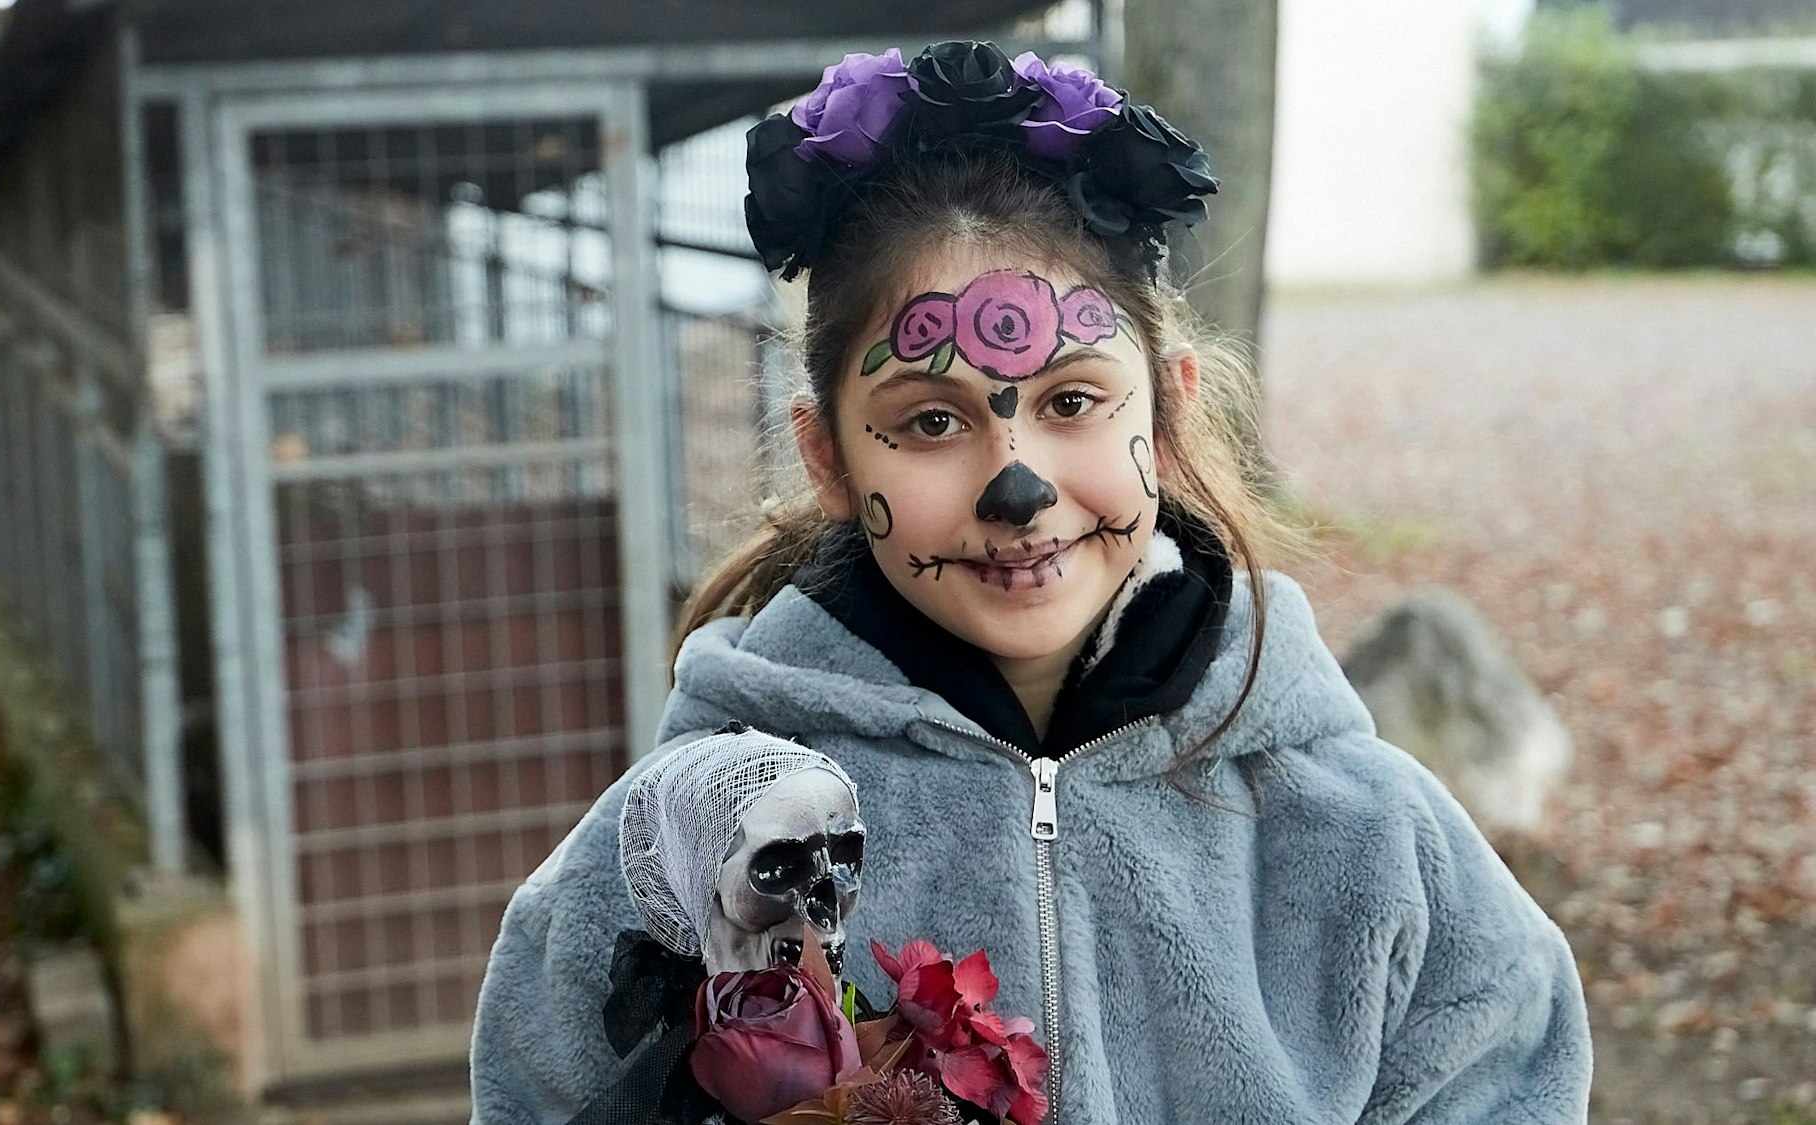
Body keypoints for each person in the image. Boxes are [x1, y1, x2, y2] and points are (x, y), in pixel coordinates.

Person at [470, 40, 1592, 1124]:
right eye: (928, 421)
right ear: (826, 456)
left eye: (1069, 402)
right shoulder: (690, 849)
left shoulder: (1366, 842)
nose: (1017, 488)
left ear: (1172, 405)